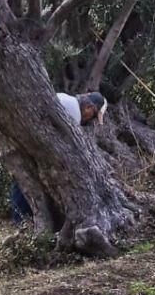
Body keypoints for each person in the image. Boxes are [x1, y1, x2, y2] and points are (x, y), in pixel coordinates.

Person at [10, 91, 108, 220]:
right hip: (34, 149)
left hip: (21, 139)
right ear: (89, 108)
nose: (90, 120)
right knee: (29, 183)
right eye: (94, 116)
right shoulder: (74, 115)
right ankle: (22, 221)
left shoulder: (64, 97)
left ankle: (21, 220)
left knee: (22, 180)